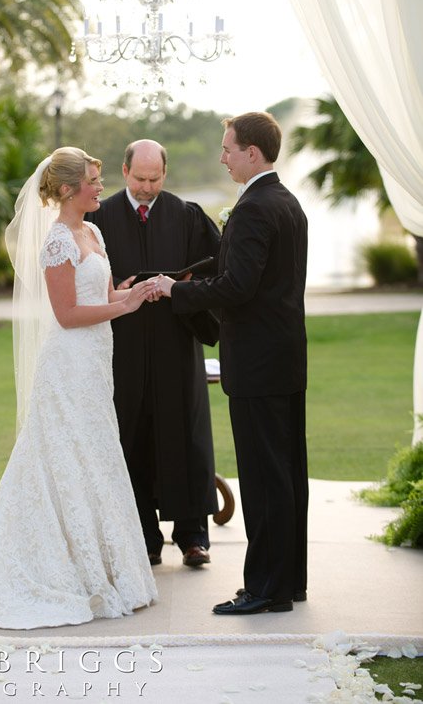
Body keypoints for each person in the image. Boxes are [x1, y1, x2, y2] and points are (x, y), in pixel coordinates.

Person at [0, 147, 158, 628]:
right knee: (61, 457)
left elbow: (102, 293)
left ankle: (108, 568)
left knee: (95, 456)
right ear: (70, 189)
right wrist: (126, 306)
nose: (100, 188)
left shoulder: (91, 231)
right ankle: (48, 570)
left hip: (95, 367)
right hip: (68, 366)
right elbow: (68, 315)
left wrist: (131, 292)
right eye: (94, 181)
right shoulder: (57, 242)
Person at [152, 112, 308, 614]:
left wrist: (178, 291)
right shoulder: (286, 202)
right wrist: (186, 274)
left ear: (252, 154)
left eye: (227, 149)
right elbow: (246, 273)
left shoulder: (252, 209)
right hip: (284, 360)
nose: (222, 157)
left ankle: (263, 589)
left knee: (264, 480)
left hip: (258, 366)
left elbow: (238, 287)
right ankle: (289, 582)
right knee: (287, 475)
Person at [87, 139, 221, 567]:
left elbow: (217, 270)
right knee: (131, 435)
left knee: (186, 433)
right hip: (122, 345)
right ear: (124, 172)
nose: (147, 188)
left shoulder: (187, 216)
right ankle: (144, 535)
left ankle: (193, 536)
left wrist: (179, 286)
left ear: (166, 172)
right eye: (140, 179)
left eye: (155, 178)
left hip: (175, 341)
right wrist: (118, 290)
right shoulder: (99, 218)